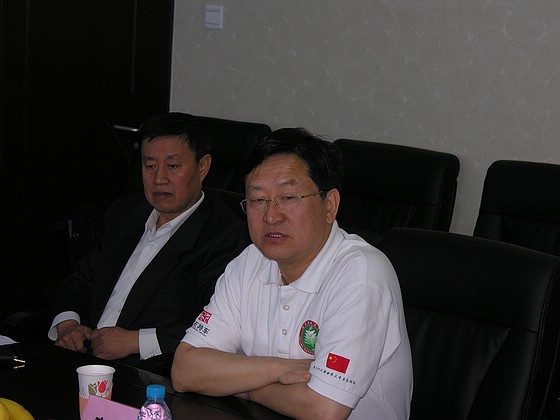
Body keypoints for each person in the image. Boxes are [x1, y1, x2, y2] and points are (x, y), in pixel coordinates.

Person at [171, 127, 413, 419]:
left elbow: (324, 410)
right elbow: (185, 370)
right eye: (258, 200)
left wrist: (245, 386)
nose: (271, 216)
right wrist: (278, 369)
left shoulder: (361, 274)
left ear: (329, 205)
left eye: (288, 197)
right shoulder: (250, 261)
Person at [48, 112, 251, 364]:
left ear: (203, 167)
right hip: (82, 360)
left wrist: (135, 342)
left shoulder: (226, 235)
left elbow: (219, 327)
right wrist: (68, 324)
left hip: (149, 371)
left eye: (173, 166)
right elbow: (82, 280)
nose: (159, 179)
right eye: (150, 166)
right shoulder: (125, 213)